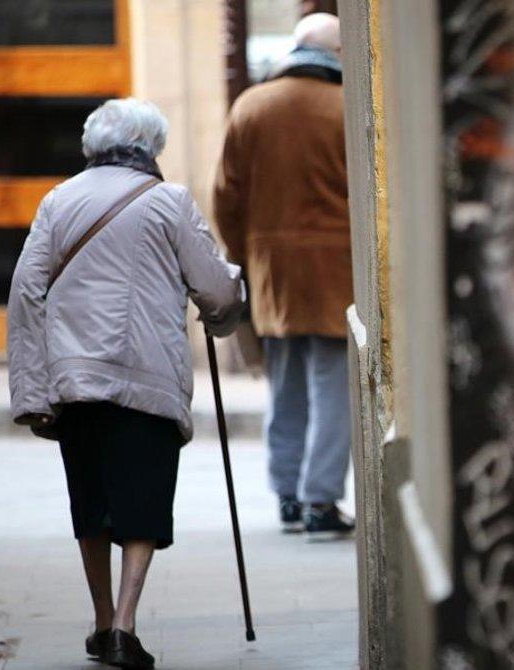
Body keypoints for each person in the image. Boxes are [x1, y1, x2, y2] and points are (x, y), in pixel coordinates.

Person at [7, 98, 244, 669]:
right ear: (151, 146)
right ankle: (125, 626)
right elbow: (214, 289)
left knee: (91, 498)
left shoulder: (57, 200)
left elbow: (24, 292)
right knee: (143, 498)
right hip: (147, 376)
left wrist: (32, 390)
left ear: (93, 145)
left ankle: (99, 619)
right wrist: (225, 311)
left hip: (75, 379)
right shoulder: (168, 201)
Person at [213, 13, 355, 540]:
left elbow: (226, 198)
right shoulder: (345, 106)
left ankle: (288, 497)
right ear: (336, 50)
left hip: (272, 270)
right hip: (336, 267)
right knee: (332, 386)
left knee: (286, 384)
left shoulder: (252, 105)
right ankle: (321, 501)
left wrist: (244, 258)